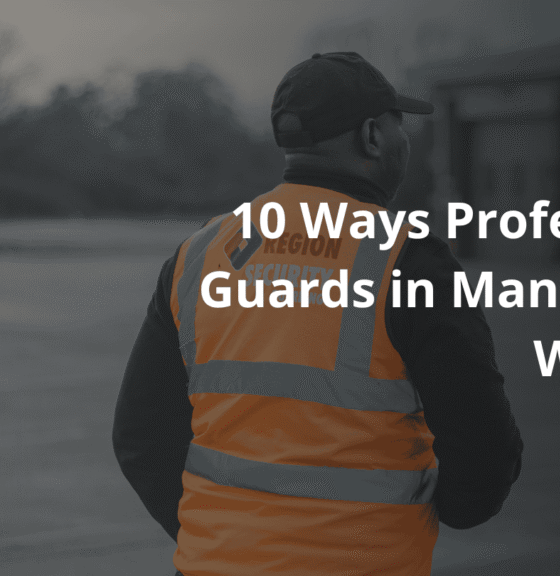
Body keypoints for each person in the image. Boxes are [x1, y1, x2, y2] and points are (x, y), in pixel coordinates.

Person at [112, 52, 523, 576]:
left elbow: (139, 435)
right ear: (373, 137)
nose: (404, 141)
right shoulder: (406, 257)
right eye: (400, 127)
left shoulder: (201, 252)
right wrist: (452, 511)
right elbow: (484, 446)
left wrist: (225, 535)